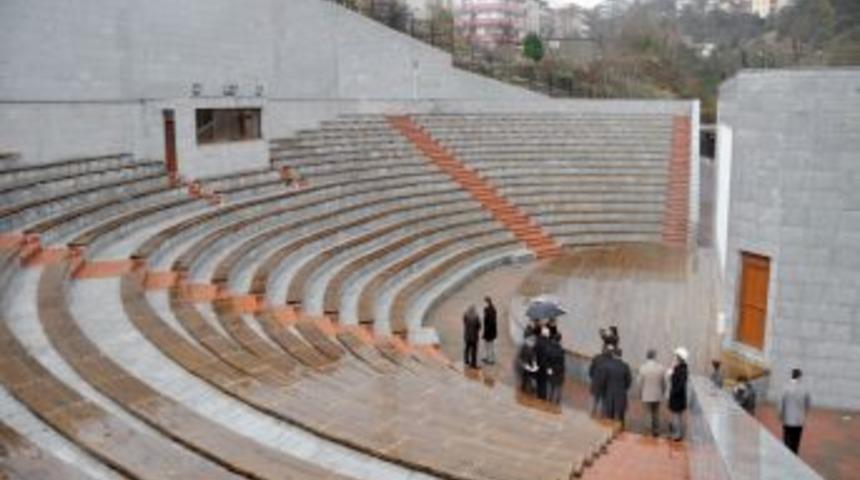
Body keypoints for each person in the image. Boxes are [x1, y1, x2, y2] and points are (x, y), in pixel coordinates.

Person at [780, 368, 811, 455]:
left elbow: (781, 402)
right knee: (796, 440)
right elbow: (808, 404)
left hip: (787, 418)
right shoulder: (804, 389)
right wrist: (804, 413)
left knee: (787, 437)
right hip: (799, 420)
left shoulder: (785, 387)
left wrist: (780, 415)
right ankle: (794, 455)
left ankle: (786, 454)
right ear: (800, 377)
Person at [637, 349, 666, 437]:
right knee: (656, 413)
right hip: (657, 394)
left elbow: (639, 383)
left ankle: (647, 431)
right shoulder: (661, 368)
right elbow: (664, 383)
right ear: (654, 356)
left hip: (646, 394)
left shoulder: (643, 368)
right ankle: (656, 431)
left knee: (647, 414)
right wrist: (662, 391)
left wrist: (640, 393)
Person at [602, 348, 632, 428]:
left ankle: (609, 430)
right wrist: (623, 388)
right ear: (621, 355)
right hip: (621, 393)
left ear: (613, 355)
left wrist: (605, 390)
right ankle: (621, 429)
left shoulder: (608, 365)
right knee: (621, 415)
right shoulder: (625, 366)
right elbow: (629, 381)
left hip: (609, 392)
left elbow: (604, 380)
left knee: (609, 414)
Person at [668, 347, 689, 441]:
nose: (675, 358)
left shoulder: (682, 370)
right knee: (677, 417)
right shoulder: (680, 368)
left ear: (680, 358)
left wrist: (673, 392)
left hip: (677, 398)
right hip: (678, 397)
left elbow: (680, 385)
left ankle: (677, 435)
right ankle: (677, 434)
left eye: (676, 357)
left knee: (676, 417)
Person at [589, 345, 613, 416]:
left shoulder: (597, 357)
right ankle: (602, 415)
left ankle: (593, 413)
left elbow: (591, 369)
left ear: (602, 350)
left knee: (595, 399)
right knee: (604, 401)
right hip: (606, 384)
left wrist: (593, 377)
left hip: (596, 382)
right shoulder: (611, 361)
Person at [534, 327, 553, 400]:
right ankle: (543, 396)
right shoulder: (548, 344)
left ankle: (539, 395)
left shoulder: (538, 341)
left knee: (539, 380)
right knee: (544, 382)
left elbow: (535, 351)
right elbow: (548, 355)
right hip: (544, 365)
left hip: (538, 364)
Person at [546, 335, 566, 404]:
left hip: (552, 369)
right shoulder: (561, 350)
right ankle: (557, 401)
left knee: (551, 386)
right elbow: (562, 362)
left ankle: (549, 399)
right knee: (558, 387)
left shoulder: (550, 348)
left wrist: (548, 369)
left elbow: (548, 360)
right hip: (559, 370)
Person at [481, 297, 497, 364]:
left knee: (489, 345)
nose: (484, 304)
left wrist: (485, 332)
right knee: (490, 345)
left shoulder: (489, 311)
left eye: (485, 302)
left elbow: (490, 322)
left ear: (487, 302)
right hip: (492, 331)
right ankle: (489, 358)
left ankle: (490, 359)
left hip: (489, 331)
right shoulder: (493, 309)